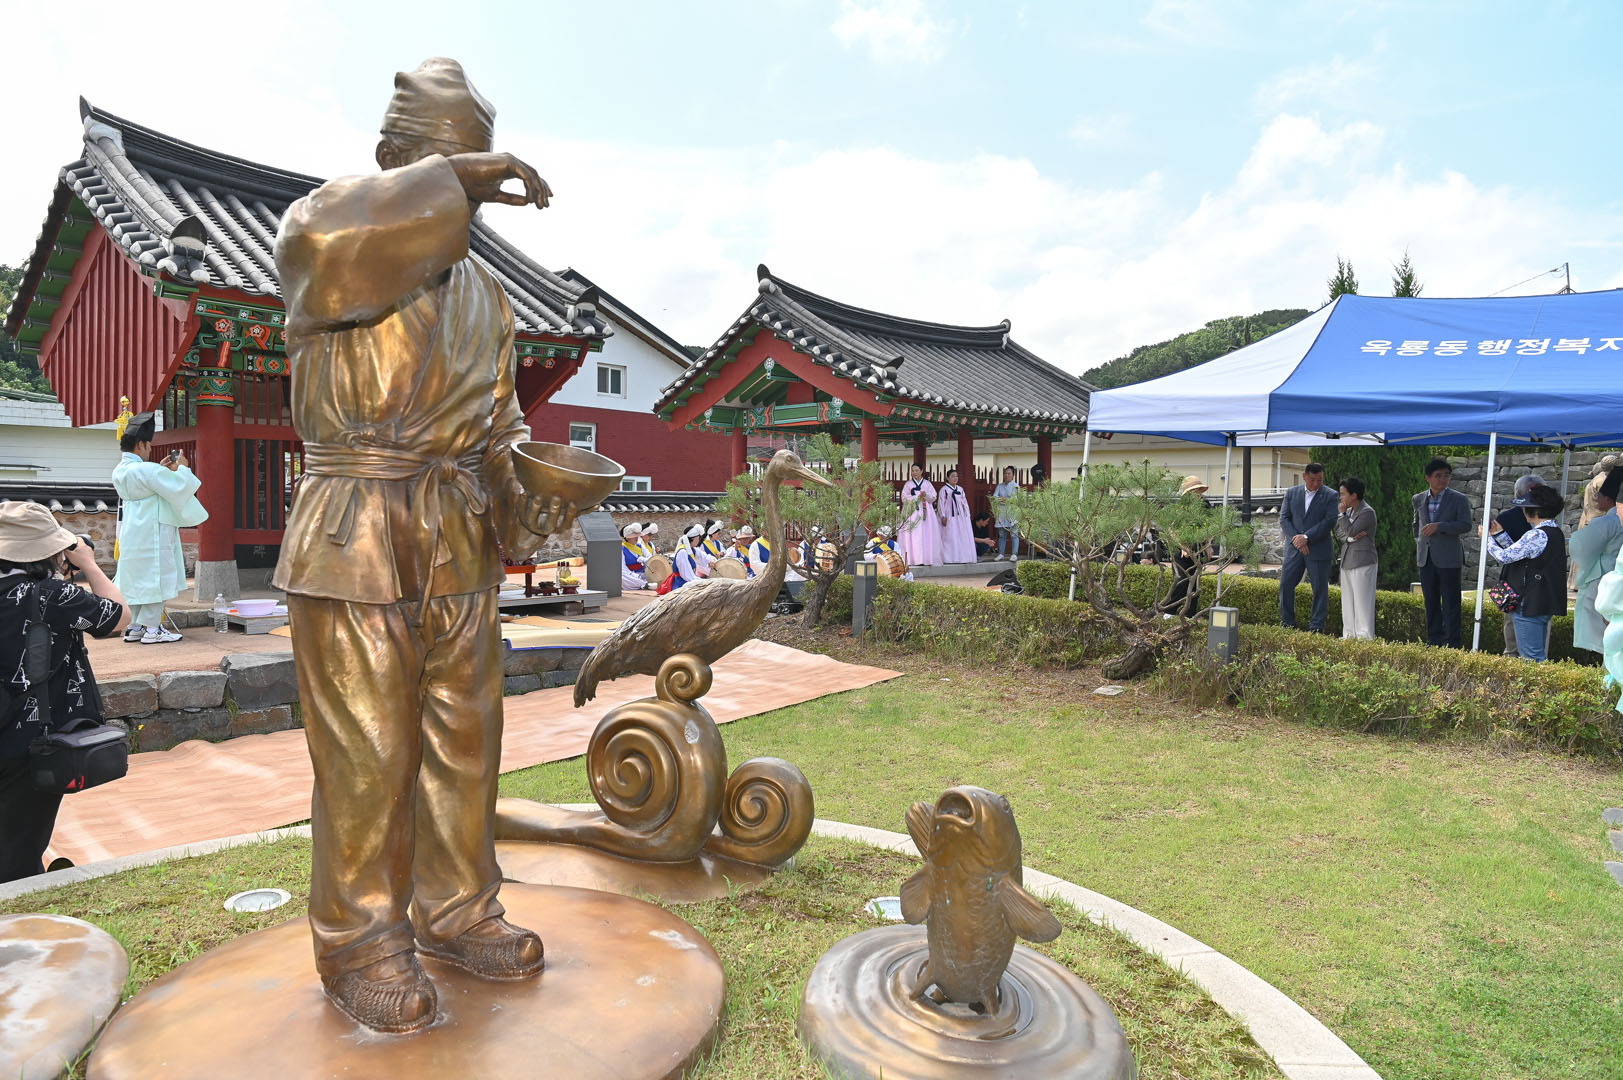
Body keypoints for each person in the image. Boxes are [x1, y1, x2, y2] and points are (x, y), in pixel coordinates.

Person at [273, 59, 575, 1031]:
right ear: (391, 159)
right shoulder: (328, 239)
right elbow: (323, 235)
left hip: (456, 532)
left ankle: (457, 909)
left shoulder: (488, 294)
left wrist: (529, 488)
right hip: (353, 525)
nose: (466, 191)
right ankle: (361, 942)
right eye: (445, 167)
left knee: (463, 740)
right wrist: (458, 179)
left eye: (473, 168)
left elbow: (498, 425)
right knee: (369, 753)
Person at [0, 502, 130, 882]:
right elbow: (119, 617)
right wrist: (87, 563)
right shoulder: (52, 595)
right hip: (28, 744)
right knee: (18, 850)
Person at [110, 411, 206, 644]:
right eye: (148, 445)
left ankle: (135, 626)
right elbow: (180, 486)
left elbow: (153, 480)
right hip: (153, 529)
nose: (150, 449)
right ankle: (153, 629)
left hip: (133, 530)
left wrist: (160, 469)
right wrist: (183, 468)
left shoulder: (120, 470)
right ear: (140, 444)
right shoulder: (147, 470)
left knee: (135, 578)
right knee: (156, 576)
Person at [1486, 484, 1568, 662]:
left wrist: (1487, 539)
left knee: (1531, 659)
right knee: (1536, 656)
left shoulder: (1536, 535)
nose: (1523, 510)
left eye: (1525, 506)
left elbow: (1505, 556)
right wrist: (1499, 535)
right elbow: (1519, 554)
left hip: (1529, 602)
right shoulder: (1553, 531)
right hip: (1542, 600)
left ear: (1535, 510)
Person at [1412, 457, 1472, 648]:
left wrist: (1440, 526)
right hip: (1426, 557)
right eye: (1438, 476)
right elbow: (1416, 524)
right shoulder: (1418, 498)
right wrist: (1420, 541)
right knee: (1430, 601)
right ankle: (1434, 640)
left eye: (1446, 475)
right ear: (1427, 478)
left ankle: (1453, 642)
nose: (1443, 479)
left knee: (1451, 602)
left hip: (1449, 558)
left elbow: (1465, 525)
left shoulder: (1459, 499)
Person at [1278, 462, 1336, 632]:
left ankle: (1317, 626)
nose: (1316, 483)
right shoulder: (1291, 493)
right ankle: (1287, 622)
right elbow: (1284, 518)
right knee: (1286, 585)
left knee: (1319, 589)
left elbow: (1330, 521)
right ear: (1304, 476)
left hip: (1318, 549)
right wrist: (1297, 540)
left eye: (1320, 480)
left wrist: (1307, 537)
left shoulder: (1331, 495)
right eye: (1312, 480)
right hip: (1294, 549)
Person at [1570, 468, 1623, 657]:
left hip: (1603, 576)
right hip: (1612, 571)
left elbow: (1581, 549)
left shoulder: (1607, 522)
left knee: (1603, 626)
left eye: (1599, 495)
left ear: (1608, 499)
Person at [1496, 474, 1545, 657]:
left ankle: (1538, 660)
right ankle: (1511, 658)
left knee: (1540, 625)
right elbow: (1504, 553)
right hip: (1513, 577)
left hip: (1539, 578)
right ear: (1519, 494)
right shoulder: (1506, 518)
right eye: (1533, 491)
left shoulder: (1546, 519)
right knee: (1511, 624)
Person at [1334, 476, 1378, 640]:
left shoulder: (1367, 512)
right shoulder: (1350, 511)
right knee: (1348, 599)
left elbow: (1350, 530)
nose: (1341, 497)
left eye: (1343, 494)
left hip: (1363, 560)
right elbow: (1341, 533)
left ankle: (1364, 636)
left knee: (1362, 600)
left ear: (1354, 495)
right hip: (1347, 559)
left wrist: (1343, 516)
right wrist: (1351, 539)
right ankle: (1349, 634)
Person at [898, 465, 942, 567]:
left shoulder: (927, 484)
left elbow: (933, 496)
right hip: (911, 512)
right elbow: (904, 498)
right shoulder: (908, 484)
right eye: (913, 471)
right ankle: (912, 559)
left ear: (922, 471)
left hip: (926, 512)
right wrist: (917, 496)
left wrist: (926, 495)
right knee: (912, 534)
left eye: (917, 470)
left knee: (926, 534)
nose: (914, 473)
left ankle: (926, 558)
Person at [937, 469, 976, 564]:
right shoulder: (944, 490)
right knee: (949, 536)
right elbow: (941, 504)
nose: (955, 478)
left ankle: (961, 557)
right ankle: (948, 557)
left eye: (956, 476)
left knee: (960, 536)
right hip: (949, 515)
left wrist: (967, 514)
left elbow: (964, 502)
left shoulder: (960, 489)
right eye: (953, 476)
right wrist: (943, 516)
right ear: (947, 478)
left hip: (960, 516)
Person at [992, 466, 1020, 560]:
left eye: (1009, 474)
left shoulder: (1016, 486)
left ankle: (1014, 554)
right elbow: (994, 498)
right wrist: (1005, 499)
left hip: (1012, 513)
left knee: (1014, 534)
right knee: (1002, 534)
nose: (1006, 475)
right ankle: (1001, 554)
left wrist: (1004, 499)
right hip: (1002, 512)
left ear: (1013, 475)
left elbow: (1016, 500)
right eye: (1005, 473)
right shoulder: (999, 486)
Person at [671, 524, 705, 589]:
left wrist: (711, 561)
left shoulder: (692, 550)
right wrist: (699, 581)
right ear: (693, 538)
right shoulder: (682, 552)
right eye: (698, 538)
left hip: (688, 581)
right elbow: (686, 575)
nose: (699, 540)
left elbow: (703, 557)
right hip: (681, 584)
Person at [620, 522, 646, 592]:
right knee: (622, 578)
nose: (636, 538)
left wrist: (645, 560)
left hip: (642, 572)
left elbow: (650, 558)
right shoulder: (621, 549)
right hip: (630, 574)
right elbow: (623, 568)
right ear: (627, 538)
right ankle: (643, 584)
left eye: (637, 536)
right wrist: (633, 575)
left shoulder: (640, 546)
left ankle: (643, 583)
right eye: (634, 536)